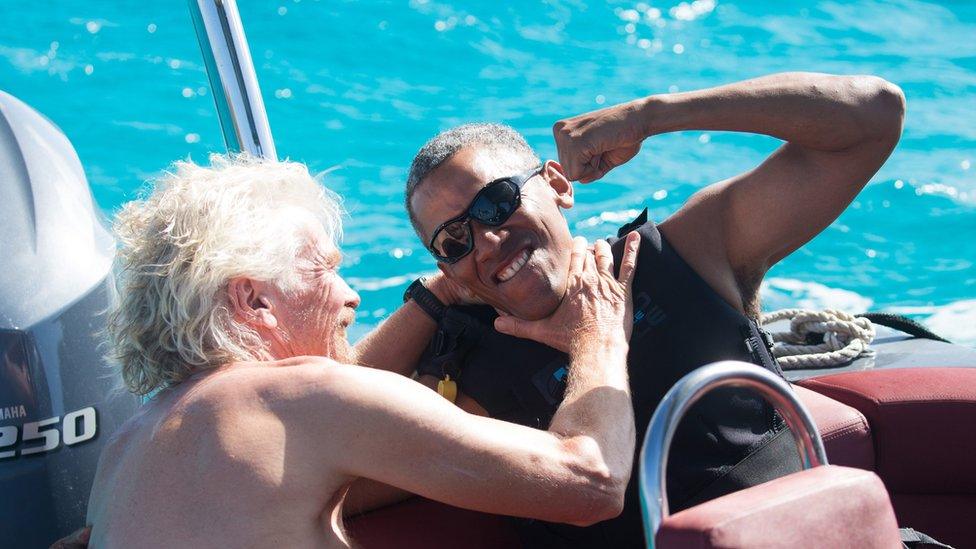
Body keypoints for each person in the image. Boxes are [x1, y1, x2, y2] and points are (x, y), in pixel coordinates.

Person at [405, 72, 905, 546]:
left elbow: (875, 116)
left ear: (557, 185)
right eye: (454, 241)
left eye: (495, 201)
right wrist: (432, 298)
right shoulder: (465, 379)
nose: (488, 241)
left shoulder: (687, 256)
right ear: (448, 268)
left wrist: (652, 115)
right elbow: (334, 427)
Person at [81, 154, 643, 547]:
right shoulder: (302, 399)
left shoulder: (126, 450)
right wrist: (599, 334)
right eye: (325, 270)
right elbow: (590, 482)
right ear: (254, 302)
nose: (350, 296)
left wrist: (446, 285)